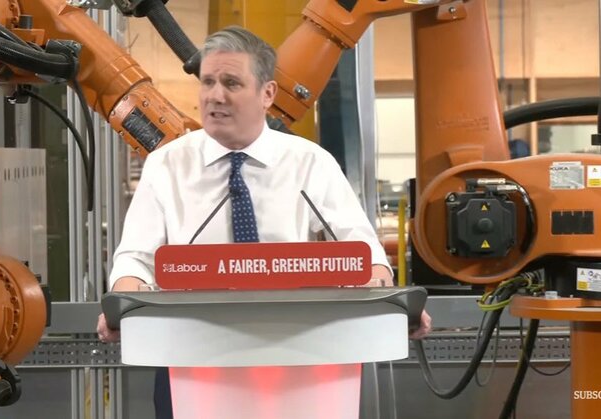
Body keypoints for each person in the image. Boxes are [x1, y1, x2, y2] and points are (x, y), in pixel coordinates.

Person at [97, 26, 432, 418]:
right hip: (190, 358)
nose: (215, 96)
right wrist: (125, 302)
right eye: (208, 82)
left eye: (231, 83)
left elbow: (364, 253)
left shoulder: (311, 163)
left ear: (267, 93)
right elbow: (135, 259)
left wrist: (388, 301)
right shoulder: (166, 166)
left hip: (303, 357)